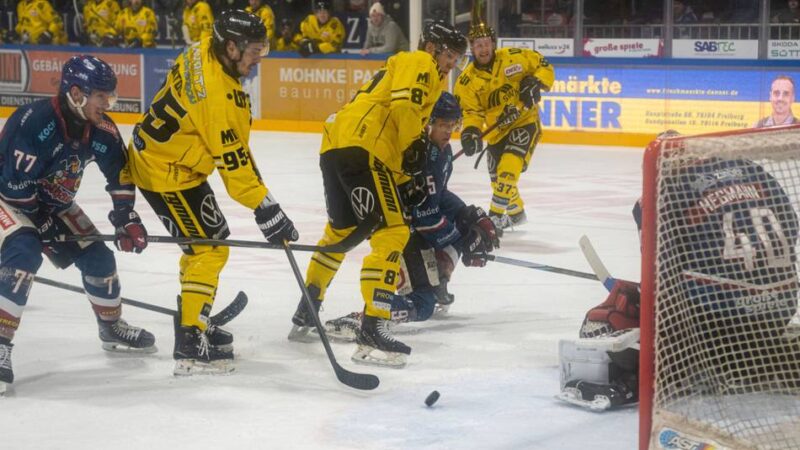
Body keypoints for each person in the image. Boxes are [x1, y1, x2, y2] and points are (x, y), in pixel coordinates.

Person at [558, 134, 800, 411]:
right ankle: (758, 358)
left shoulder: (661, 191)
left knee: (606, 321)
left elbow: (660, 277)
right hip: (779, 309)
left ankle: (639, 380)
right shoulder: (751, 169)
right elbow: (791, 227)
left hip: (716, 324)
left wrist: (639, 297)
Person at [288, 21, 469, 368]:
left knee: (340, 232)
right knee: (393, 232)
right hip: (366, 147)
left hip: (337, 145)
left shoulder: (403, 67)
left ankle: (308, 305)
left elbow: (395, 118)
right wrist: (414, 155)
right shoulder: (420, 62)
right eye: (449, 55)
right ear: (432, 48)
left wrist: (405, 177)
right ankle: (373, 325)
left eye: (457, 58)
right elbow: (403, 111)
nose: (452, 64)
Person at [127, 10, 297, 375]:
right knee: (209, 249)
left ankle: (194, 317)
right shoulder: (218, 98)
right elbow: (235, 168)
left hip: (171, 159)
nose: (258, 59)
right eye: (253, 51)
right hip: (165, 171)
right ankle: (189, 344)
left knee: (206, 244)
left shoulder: (201, 48)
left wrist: (265, 203)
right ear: (231, 48)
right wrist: (267, 208)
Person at [0, 55, 156, 394]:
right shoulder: (32, 123)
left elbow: (119, 174)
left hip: (54, 204)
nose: (108, 104)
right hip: (9, 200)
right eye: (101, 96)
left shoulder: (102, 130)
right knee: (24, 252)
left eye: (109, 96)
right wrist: (42, 226)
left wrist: (125, 216)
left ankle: (110, 327)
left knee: (99, 259)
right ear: (75, 93)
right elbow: (12, 185)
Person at [322, 92, 500, 341]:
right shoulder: (420, 154)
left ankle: (437, 282)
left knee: (461, 227)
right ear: (428, 123)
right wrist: (464, 239)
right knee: (423, 305)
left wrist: (467, 214)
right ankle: (366, 317)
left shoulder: (443, 151)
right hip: (401, 230)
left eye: (453, 125)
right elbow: (425, 217)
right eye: (443, 125)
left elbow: (439, 195)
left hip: (413, 228)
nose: (449, 131)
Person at [454, 18, 554, 232]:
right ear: (472, 48)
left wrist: (536, 82)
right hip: (496, 133)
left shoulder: (513, 57)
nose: (483, 49)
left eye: (486, 43)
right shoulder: (466, 81)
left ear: (493, 44)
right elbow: (471, 112)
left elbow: (542, 64)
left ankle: (495, 217)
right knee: (497, 181)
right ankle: (516, 214)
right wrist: (471, 131)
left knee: (509, 168)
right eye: (478, 45)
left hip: (524, 121)